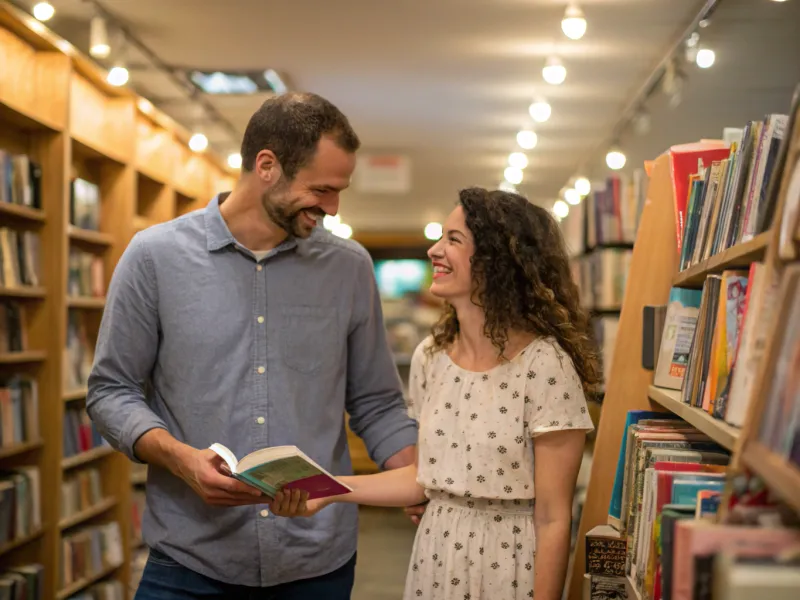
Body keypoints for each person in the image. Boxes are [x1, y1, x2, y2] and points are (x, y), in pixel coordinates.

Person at [86, 92, 418, 599]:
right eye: (322, 189)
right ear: (267, 165)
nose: (332, 208)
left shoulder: (348, 268)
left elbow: (376, 400)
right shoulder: (154, 258)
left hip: (317, 564)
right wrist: (178, 458)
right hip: (189, 560)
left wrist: (418, 478)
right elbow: (111, 391)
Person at [270, 187, 600, 600]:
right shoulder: (432, 357)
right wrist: (327, 489)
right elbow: (423, 478)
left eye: (453, 240)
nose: (434, 250)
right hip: (436, 558)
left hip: (509, 564)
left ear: (496, 261)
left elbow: (553, 518)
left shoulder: (545, 366)